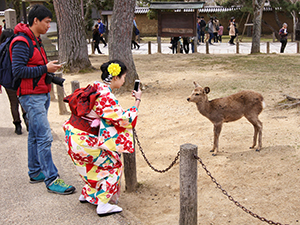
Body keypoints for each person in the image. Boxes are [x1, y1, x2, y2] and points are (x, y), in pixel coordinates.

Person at [63, 60, 142, 216]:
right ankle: (103, 204)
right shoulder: (105, 96)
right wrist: (137, 101)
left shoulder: (95, 86)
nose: (124, 80)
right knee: (113, 165)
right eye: (123, 77)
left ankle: (88, 194)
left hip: (72, 136)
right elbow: (125, 119)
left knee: (91, 166)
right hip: (84, 141)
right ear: (115, 78)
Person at [10, 4, 75, 194]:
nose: (49, 25)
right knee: (45, 137)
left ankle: (35, 171)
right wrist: (45, 69)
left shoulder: (36, 39)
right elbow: (19, 71)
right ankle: (51, 178)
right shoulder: (22, 42)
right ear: (35, 20)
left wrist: (51, 76)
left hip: (40, 94)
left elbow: (36, 68)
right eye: (46, 22)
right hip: (31, 97)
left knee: (35, 135)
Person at [0, 28, 28, 135]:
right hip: (19, 77)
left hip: (7, 79)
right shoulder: (17, 45)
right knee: (22, 99)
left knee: (13, 102)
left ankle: (17, 125)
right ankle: (27, 120)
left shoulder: (1, 48)